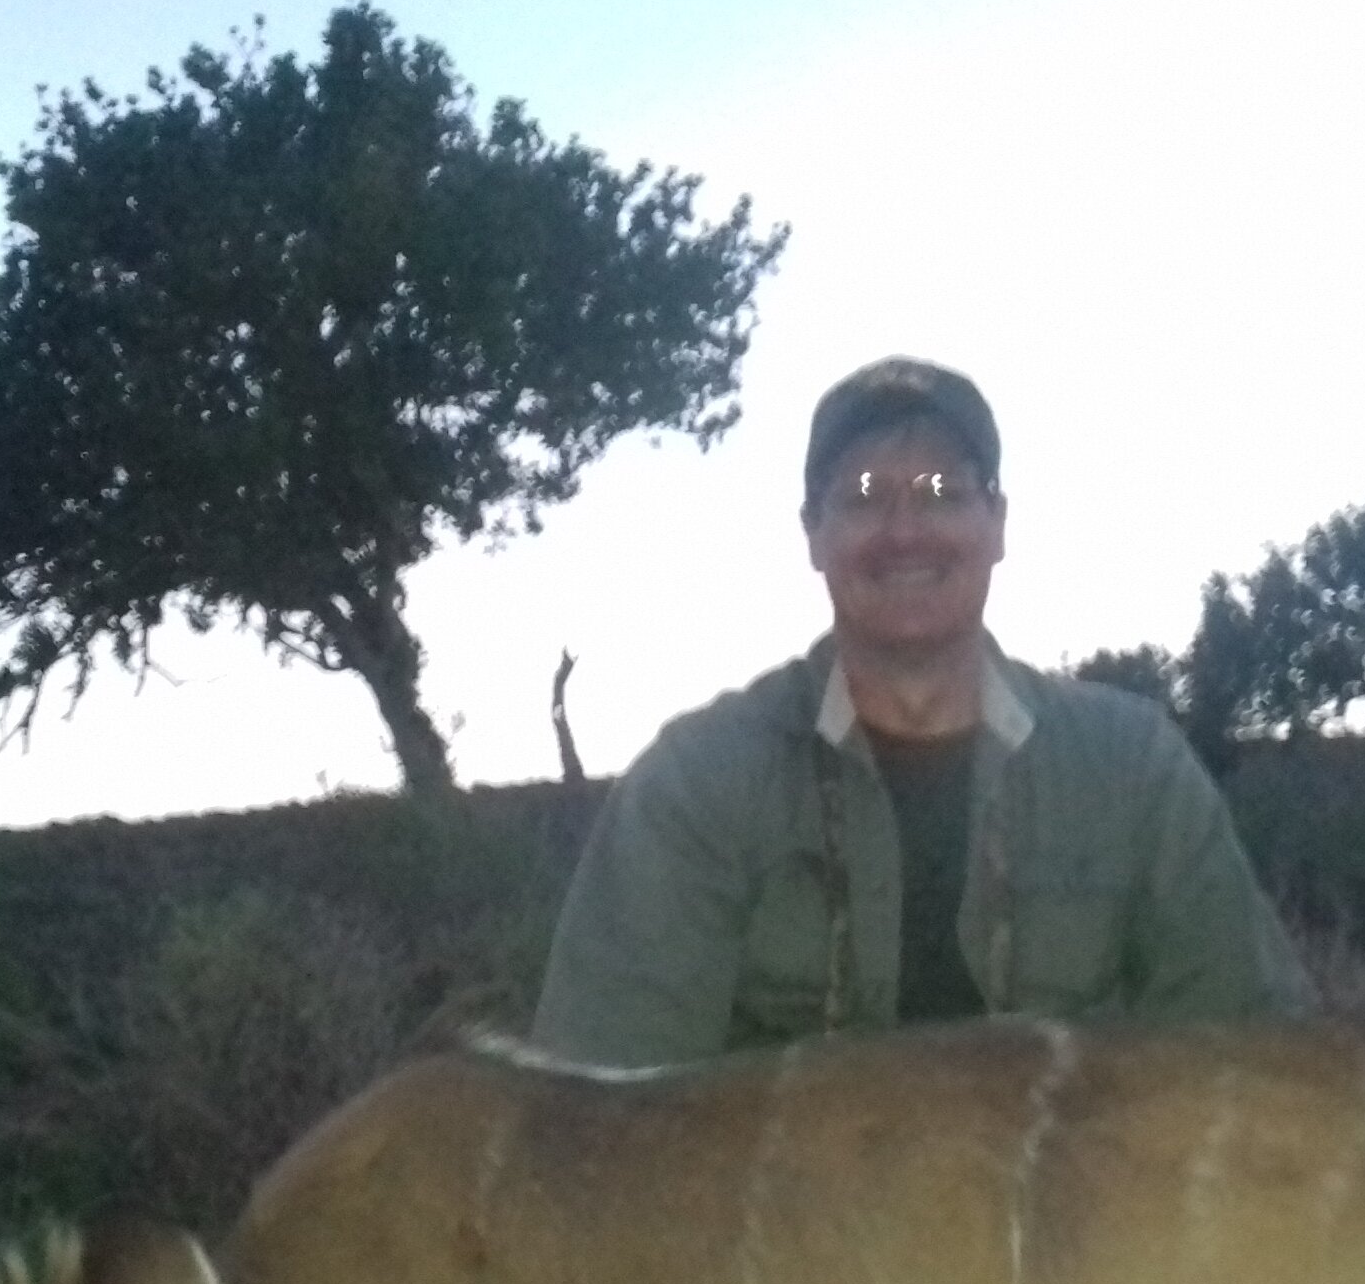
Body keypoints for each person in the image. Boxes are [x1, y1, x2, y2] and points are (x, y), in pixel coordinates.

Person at [530, 357, 1312, 1068]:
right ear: (813, 534)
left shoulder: (1132, 766)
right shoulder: (698, 782)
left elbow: (1259, 1056)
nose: (904, 530)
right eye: (864, 496)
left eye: (943, 491)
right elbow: (601, 1105)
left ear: (997, 522)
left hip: (1074, 1220)